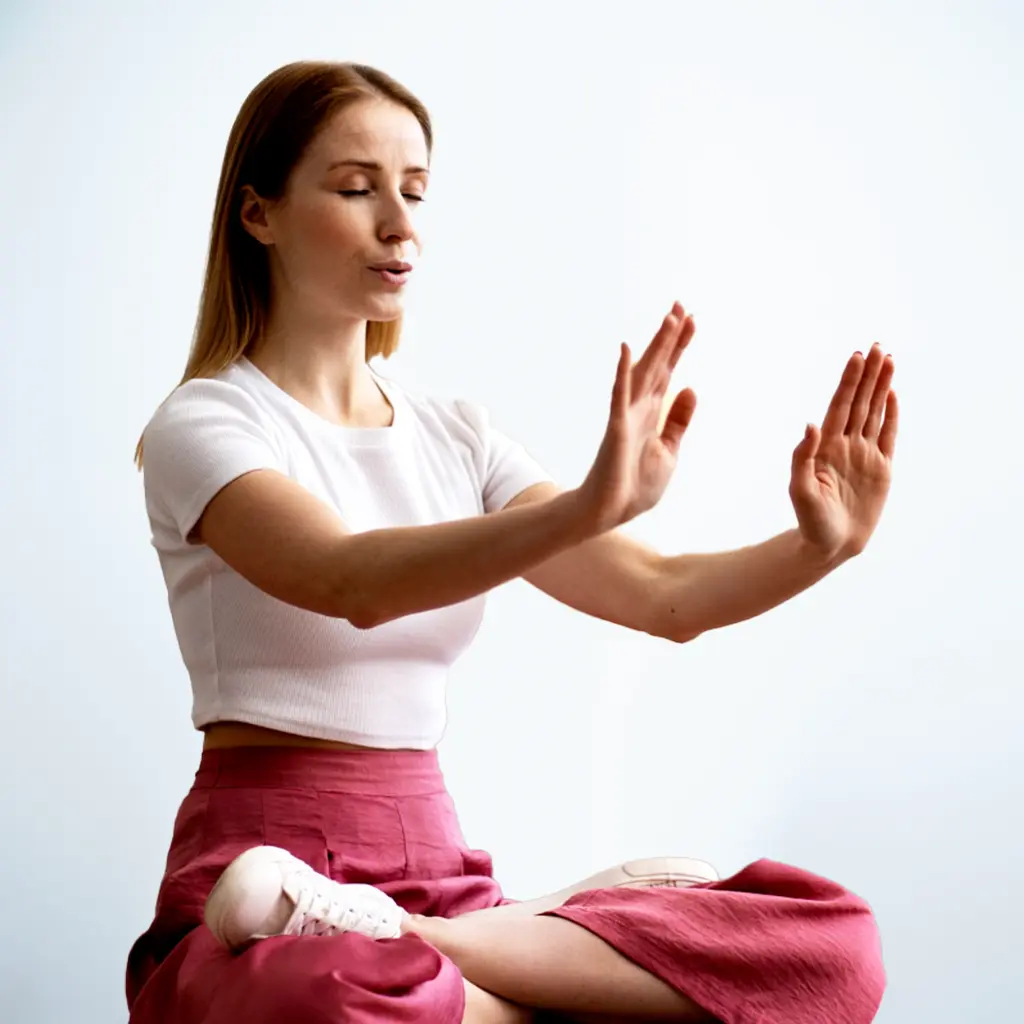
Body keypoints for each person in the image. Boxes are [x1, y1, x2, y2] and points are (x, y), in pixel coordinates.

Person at [126, 60, 897, 1024]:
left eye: (414, 191)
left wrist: (819, 549)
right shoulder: (207, 423)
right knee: (316, 995)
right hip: (258, 878)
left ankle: (431, 941)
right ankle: (540, 962)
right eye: (357, 189)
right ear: (259, 214)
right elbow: (348, 579)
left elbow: (662, 596)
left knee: (833, 947)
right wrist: (583, 508)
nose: (400, 224)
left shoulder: (456, 434)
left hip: (442, 878)